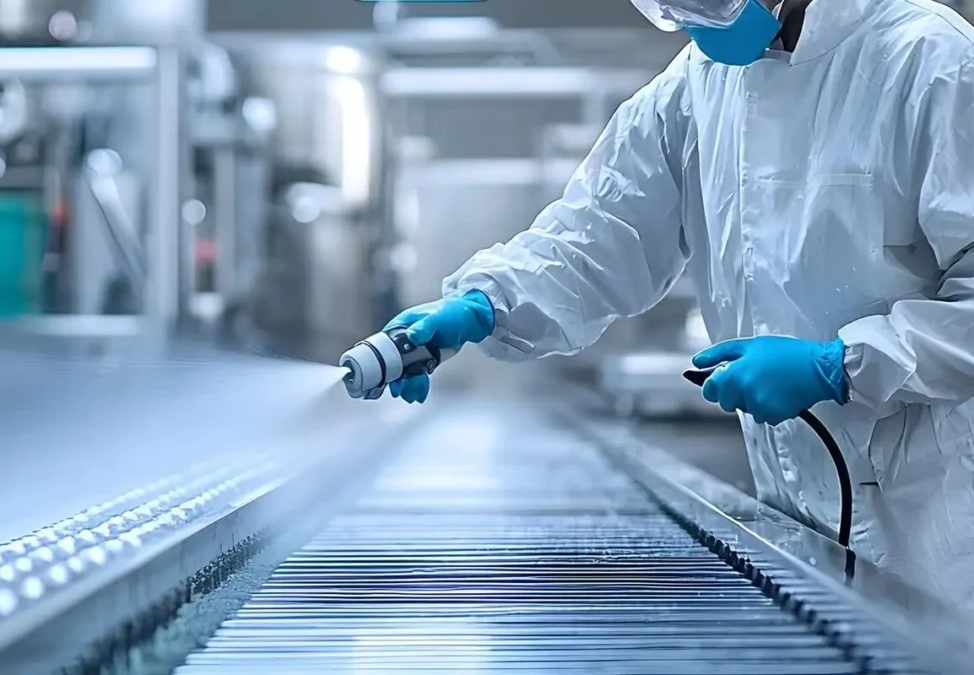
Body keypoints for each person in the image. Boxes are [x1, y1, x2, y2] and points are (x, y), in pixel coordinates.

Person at [386, 0, 974, 609]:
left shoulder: (931, 61)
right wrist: (486, 302)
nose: (694, 17)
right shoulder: (698, 85)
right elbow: (599, 230)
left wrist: (840, 365)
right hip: (798, 524)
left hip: (938, 533)